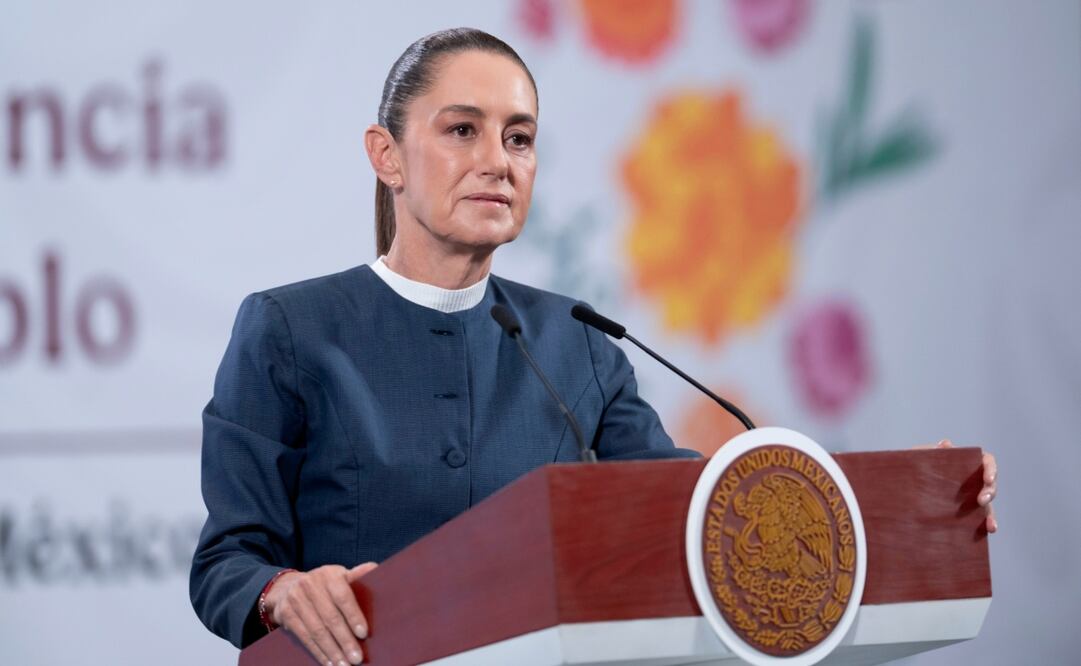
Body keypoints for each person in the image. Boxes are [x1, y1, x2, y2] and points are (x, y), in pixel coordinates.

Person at [189, 27, 999, 666]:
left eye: (518, 138)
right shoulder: (290, 331)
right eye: (462, 130)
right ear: (386, 155)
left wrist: (894, 508)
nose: (495, 163)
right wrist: (281, 593)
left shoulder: (574, 341)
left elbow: (692, 512)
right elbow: (227, 561)